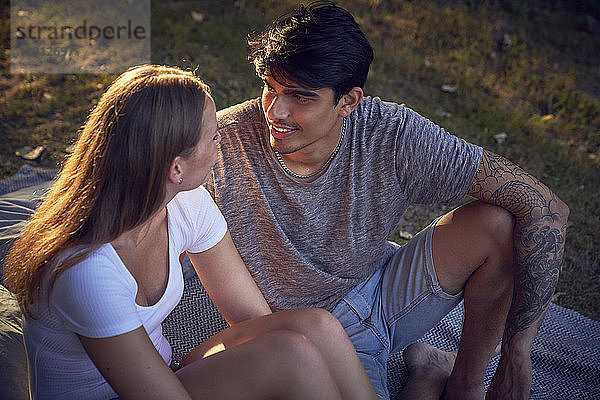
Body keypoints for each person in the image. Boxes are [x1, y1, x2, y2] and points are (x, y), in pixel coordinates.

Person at [205, 2, 570, 399]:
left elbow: (545, 206)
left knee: (498, 224)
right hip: (300, 336)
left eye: (301, 97)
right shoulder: (221, 146)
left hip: (381, 295)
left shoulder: (393, 135)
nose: (276, 111)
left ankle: (464, 383)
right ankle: (427, 372)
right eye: (270, 89)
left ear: (348, 101)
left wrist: (516, 355)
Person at [2, 64, 377, 400]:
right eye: (213, 138)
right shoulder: (86, 269)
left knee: (316, 327)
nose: (222, 144)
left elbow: (252, 321)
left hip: (162, 375)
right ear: (175, 168)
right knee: (292, 358)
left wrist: (268, 371)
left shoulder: (185, 203)